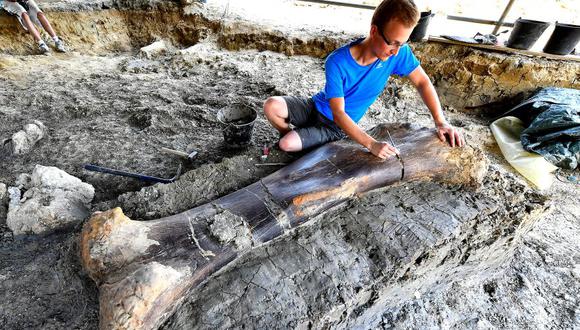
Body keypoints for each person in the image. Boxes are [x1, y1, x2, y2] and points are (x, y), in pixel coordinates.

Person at [263, 0, 464, 160]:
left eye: (401, 44)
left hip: (335, 127)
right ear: (374, 31)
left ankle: (307, 138)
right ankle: (299, 135)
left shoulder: (398, 54)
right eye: (392, 43)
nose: (395, 51)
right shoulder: (337, 61)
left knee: (287, 145)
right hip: (318, 107)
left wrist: (441, 121)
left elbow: (422, 82)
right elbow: (338, 111)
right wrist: (371, 144)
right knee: (271, 105)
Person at [1, 0, 66, 54]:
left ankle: (57, 40)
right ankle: (41, 44)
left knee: (40, 14)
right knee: (24, 14)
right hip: (8, 1)